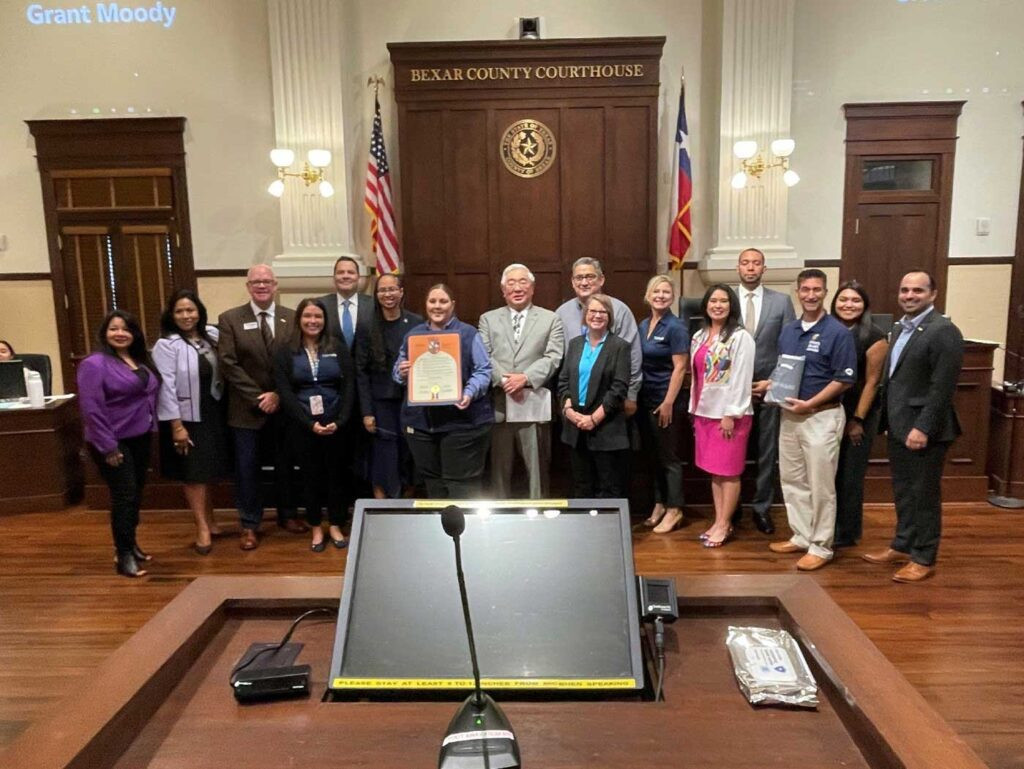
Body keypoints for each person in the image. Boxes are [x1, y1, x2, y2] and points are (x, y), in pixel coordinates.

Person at [863, 270, 963, 583]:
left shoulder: (943, 331)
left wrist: (923, 428)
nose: (909, 295)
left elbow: (942, 388)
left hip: (923, 430)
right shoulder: (899, 327)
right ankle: (902, 544)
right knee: (904, 491)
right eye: (905, 290)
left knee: (924, 495)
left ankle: (923, 556)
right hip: (898, 425)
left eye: (917, 291)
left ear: (933, 294)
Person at [769, 269, 857, 571]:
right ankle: (802, 535)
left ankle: (821, 546)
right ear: (797, 291)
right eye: (805, 289)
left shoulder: (838, 333)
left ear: (825, 292)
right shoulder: (789, 330)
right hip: (789, 416)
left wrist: (810, 403)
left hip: (821, 416)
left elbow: (843, 380)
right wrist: (770, 386)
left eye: (816, 290)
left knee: (821, 485)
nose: (810, 295)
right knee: (793, 480)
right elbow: (786, 371)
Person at [217, 264, 304, 550]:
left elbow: (297, 360)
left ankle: (288, 515)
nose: (262, 286)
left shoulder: (291, 319)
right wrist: (259, 397)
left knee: (286, 465)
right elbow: (228, 364)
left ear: (276, 285)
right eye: (256, 282)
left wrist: (278, 394)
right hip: (245, 409)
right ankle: (249, 524)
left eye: (267, 281)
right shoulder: (230, 319)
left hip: (283, 407)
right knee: (247, 468)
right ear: (248, 286)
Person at [77, 310, 159, 577]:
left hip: (140, 435)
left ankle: (131, 543)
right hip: (112, 441)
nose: (120, 333)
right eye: (114, 328)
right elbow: (92, 408)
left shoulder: (139, 360)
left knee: (135, 494)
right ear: (104, 333)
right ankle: (122, 555)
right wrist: (108, 446)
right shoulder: (94, 364)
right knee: (124, 496)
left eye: (126, 329)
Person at [394, 284, 494, 498]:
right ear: (426, 305)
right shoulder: (414, 336)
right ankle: (439, 529)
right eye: (432, 301)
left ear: (453, 305)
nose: (437, 306)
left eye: (443, 301)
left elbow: (484, 370)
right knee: (433, 485)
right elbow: (397, 371)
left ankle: (464, 530)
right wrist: (401, 372)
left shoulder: (468, 333)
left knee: (460, 487)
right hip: (422, 426)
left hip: (462, 423)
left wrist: (469, 392)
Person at [151, 289, 229, 556]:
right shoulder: (167, 345)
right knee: (194, 473)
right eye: (180, 311)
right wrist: (176, 426)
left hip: (213, 411)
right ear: (171, 316)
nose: (186, 316)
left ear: (199, 312)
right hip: (186, 417)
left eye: (191, 310)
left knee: (209, 470)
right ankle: (201, 527)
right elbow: (166, 387)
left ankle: (212, 519)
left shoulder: (211, 337)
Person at [274, 298, 355, 551]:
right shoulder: (286, 350)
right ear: (299, 319)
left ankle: (335, 524)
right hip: (302, 425)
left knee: (336, 476)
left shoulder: (337, 347)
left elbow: (349, 385)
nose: (313, 321)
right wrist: (309, 424)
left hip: (336, 424)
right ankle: (316, 527)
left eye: (318, 316)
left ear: (324, 320)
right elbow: (285, 391)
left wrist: (340, 421)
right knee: (310, 478)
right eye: (308, 316)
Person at [478, 264, 564, 498]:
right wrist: (506, 380)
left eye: (523, 282)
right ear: (503, 290)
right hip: (499, 404)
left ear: (533, 288)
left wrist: (525, 378)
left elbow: (553, 356)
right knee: (499, 472)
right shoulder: (488, 319)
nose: (517, 288)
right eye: (511, 283)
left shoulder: (550, 319)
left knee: (537, 471)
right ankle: (500, 523)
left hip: (533, 405)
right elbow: (484, 355)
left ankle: (539, 517)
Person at [734, 248, 795, 534]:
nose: (750, 268)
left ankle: (761, 508)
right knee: (732, 449)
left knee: (766, 451)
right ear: (738, 267)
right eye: (745, 263)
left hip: (769, 387)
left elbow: (789, 347)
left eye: (756, 263)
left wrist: (773, 382)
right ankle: (731, 508)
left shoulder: (781, 302)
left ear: (763, 269)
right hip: (732, 389)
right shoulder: (724, 299)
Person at [688, 285, 755, 546]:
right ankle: (718, 520)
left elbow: (741, 377)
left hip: (729, 416)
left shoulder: (740, 337)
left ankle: (726, 524)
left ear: (731, 306)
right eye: (713, 300)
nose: (718, 305)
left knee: (729, 472)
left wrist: (731, 413)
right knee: (715, 472)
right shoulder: (699, 335)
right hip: (704, 413)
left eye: (723, 301)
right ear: (705, 305)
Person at [831, 281, 888, 548]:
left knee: (850, 475)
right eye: (843, 299)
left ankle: (847, 531)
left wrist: (857, 419)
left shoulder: (874, 336)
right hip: (828, 410)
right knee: (829, 473)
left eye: (855, 300)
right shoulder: (827, 329)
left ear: (864, 305)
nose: (848, 305)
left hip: (858, 413)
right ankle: (827, 525)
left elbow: (872, 382)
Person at [355, 273, 422, 498]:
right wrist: (366, 412)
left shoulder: (416, 323)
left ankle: (406, 502)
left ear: (401, 292)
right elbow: (361, 372)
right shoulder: (367, 325)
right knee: (383, 455)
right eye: (382, 290)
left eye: (392, 289)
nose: (388, 294)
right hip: (380, 403)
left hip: (410, 401)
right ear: (376, 295)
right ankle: (381, 504)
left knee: (408, 453)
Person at [558, 294, 632, 497]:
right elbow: (563, 380)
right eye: (593, 311)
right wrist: (569, 410)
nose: (597, 316)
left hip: (605, 426)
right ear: (585, 315)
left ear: (609, 316)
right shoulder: (575, 344)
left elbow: (619, 388)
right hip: (575, 426)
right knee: (581, 485)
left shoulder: (620, 346)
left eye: (602, 312)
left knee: (608, 486)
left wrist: (594, 418)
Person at [636, 275, 689, 533]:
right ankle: (659, 503)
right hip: (645, 399)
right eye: (656, 291)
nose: (661, 296)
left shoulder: (676, 327)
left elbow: (680, 368)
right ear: (648, 294)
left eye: (666, 292)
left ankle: (675, 509)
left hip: (666, 401)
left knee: (669, 457)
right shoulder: (644, 324)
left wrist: (668, 402)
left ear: (672, 296)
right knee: (653, 456)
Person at [318, 256, 374, 504]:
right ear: (334, 277)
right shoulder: (321, 306)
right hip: (333, 389)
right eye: (340, 272)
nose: (345, 276)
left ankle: (363, 499)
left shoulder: (373, 305)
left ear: (359, 277)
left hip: (367, 388)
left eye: (351, 272)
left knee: (365, 447)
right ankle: (341, 501)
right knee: (336, 450)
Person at [555, 257, 642, 412]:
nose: (584, 282)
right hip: (573, 400)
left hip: (610, 399)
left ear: (601, 280)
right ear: (572, 282)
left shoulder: (620, 310)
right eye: (579, 278)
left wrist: (631, 395)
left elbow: (633, 357)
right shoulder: (562, 313)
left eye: (590, 277)